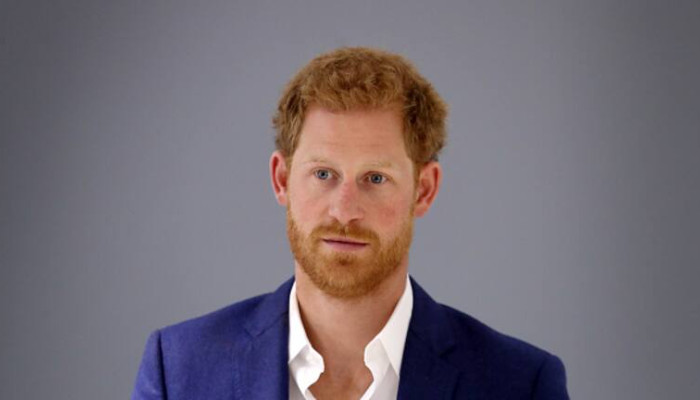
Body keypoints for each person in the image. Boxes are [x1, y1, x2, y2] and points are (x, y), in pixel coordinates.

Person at [132, 47, 569, 400]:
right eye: (323, 174)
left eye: (375, 178)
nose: (344, 211)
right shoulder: (180, 371)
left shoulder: (520, 385)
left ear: (424, 190)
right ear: (282, 180)